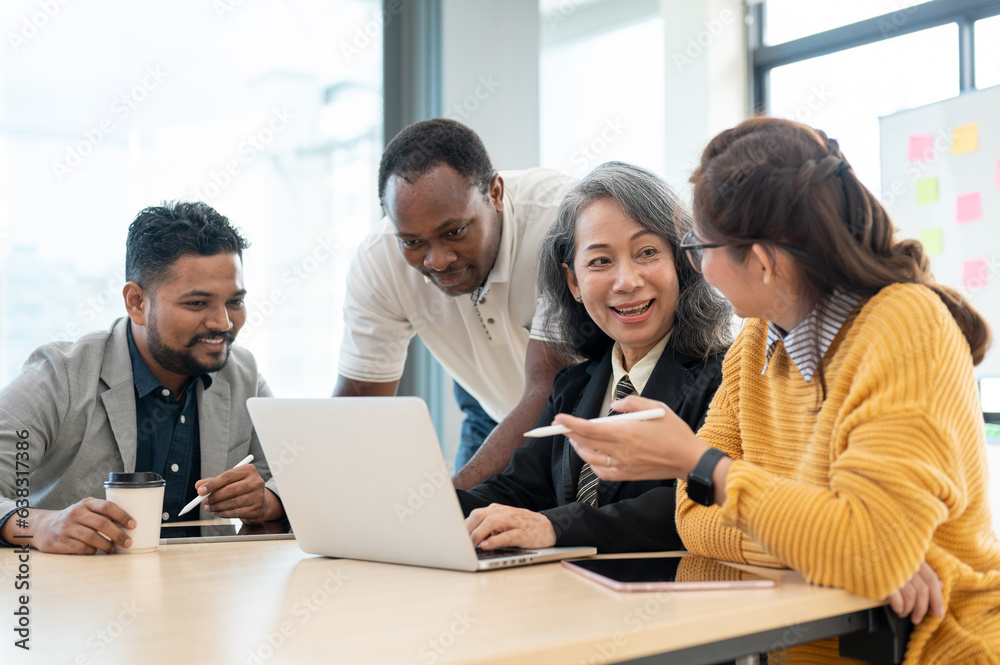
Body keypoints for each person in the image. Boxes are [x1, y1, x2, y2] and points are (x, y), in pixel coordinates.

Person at [556, 118, 1000, 663]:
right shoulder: (754, 346)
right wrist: (827, 548)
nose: (696, 264)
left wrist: (703, 465)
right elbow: (693, 521)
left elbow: (866, 552)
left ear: (762, 262)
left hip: (931, 649)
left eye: (699, 246)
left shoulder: (904, 328)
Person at [460, 161, 733, 553]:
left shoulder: (725, 377)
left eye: (647, 252)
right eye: (600, 261)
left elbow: (693, 502)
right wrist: (428, 511)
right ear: (573, 281)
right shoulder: (574, 385)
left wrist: (555, 528)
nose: (627, 282)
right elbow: (518, 487)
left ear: (680, 262)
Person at [0, 201, 284, 554]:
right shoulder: (61, 376)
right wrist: (38, 524)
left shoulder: (244, 376)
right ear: (136, 302)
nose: (223, 323)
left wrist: (268, 500)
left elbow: (297, 479)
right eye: (197, 303)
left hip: (206, 594)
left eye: (235, 302)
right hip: (78, 597)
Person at [334, 118, 577, 489]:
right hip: (492, 408)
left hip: (578, 418)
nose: (437, 259)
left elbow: (549, 388)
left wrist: (441, 508)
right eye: (412, 242)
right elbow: (358, 407)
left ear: (495, 192)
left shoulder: (561, 221)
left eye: (454, 232)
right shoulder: (378, 259)